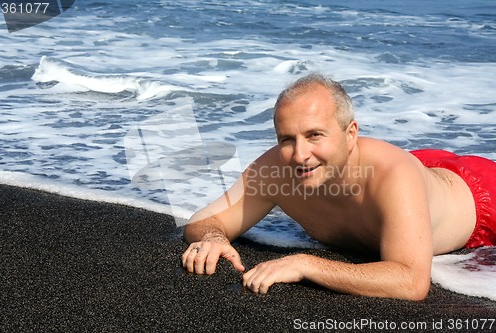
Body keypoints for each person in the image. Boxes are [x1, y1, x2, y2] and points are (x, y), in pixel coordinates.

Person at [181, 73, 496, 300]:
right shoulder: (276, 168)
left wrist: (305, 264)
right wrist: (213, 237)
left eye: (315, 134)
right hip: (422, 171)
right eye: (287, 139)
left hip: (481, 196)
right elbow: (204, 220)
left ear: (350, 134)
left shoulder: (391, 177)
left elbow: (412, 281)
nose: (300, 154)